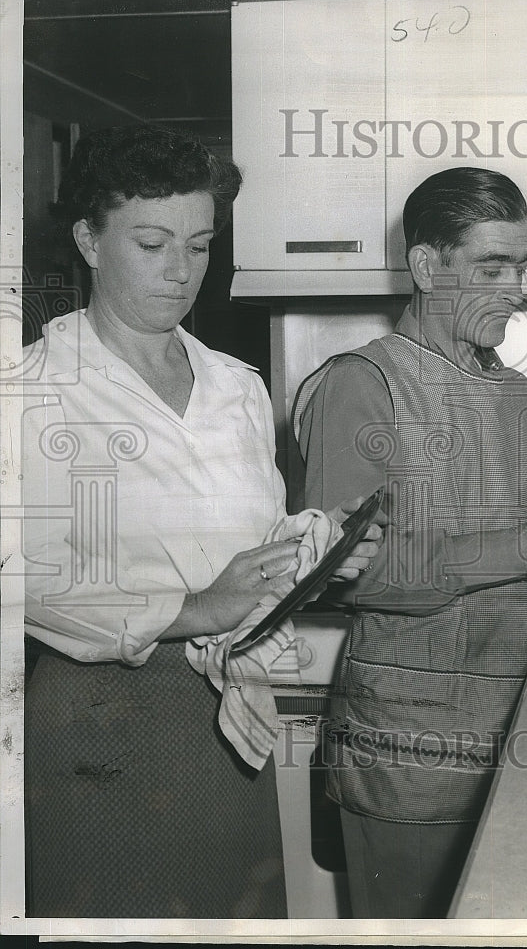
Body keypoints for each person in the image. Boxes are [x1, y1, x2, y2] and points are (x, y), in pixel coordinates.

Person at [22, 125, 381, 919]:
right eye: (151, 243)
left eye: (200, 244)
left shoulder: (236, 386)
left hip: (226, 712)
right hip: (103, 720)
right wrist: (194, 610)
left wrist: (320, 544)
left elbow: (245, 542)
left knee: (235, 920)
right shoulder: (33, 391)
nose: (181, 271)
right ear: (88, 239)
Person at [293, 167, 527, 918]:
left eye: (520, 267)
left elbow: (518, 552)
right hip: (412, 747)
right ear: (428, 266)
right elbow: (353, 575)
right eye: (490, 268)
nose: (515, 289)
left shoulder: (518, 395)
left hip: (519, 723)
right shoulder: (363, 383)